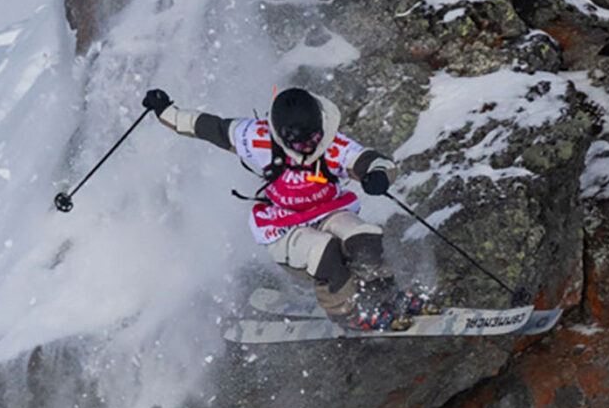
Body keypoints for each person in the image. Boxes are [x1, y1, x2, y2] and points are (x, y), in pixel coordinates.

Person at [143, 85, 428, 330]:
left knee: (364, 237)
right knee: (325, 251)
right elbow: (211, 127)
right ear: (281, 136)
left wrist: (376, 174)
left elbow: (370, 159)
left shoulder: (331, 143)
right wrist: (166, 111)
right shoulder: (256, 139)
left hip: (327, 211)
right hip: (284, 225)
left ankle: (383, 295)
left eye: (314, 140)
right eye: (300, 143)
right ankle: (349, 313)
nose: (308, 148)